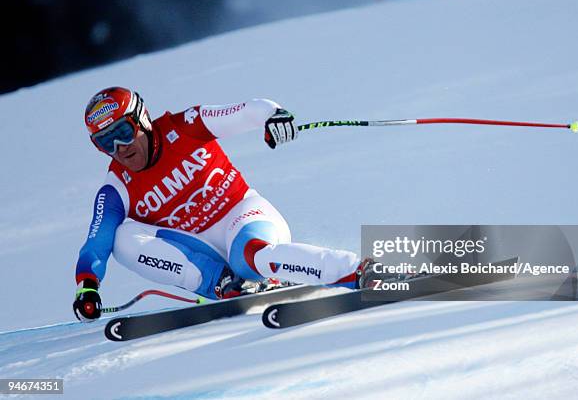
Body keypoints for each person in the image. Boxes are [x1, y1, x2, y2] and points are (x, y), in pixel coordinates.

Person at [73, 86, 364, 322]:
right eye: (104, 142)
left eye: (122, 133)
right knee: (121, 240)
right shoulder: (116, 186)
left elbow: (247, 111)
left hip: (241, 216)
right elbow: (97, 240)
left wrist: (273, 115)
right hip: (201, 252)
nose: (119, 149)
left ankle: (360, 272)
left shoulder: (186, 125)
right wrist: (87, 285)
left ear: (142, 120)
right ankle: (224, 285)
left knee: (250, 257)